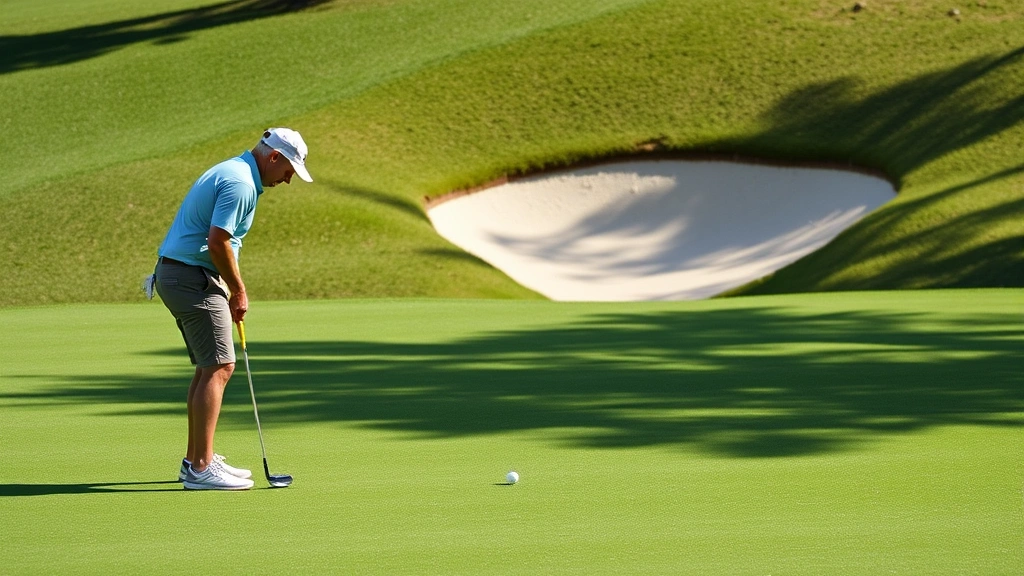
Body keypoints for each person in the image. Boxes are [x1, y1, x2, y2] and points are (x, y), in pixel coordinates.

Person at [148, 128, 312, 490]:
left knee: (209, 367)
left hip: (182, 275)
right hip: (191, 278)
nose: (288, 180)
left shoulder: (235, 171)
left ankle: (195, 460)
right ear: (273, 157)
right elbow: (218, 239)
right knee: (221, 366)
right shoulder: (240, 183)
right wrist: (238, 291)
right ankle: (202, 468)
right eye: (289, 170)